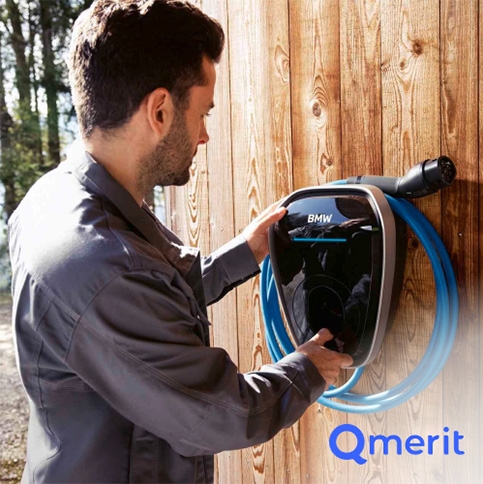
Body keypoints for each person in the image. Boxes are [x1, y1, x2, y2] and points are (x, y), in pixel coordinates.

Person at [8, 1, 353, 482]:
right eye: (203, 113)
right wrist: (309, 367)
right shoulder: (105, 266)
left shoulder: (59, 199)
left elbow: (154, 291)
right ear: (160, 111)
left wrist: (248, 249)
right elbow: (223, 415)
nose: (205, 135)